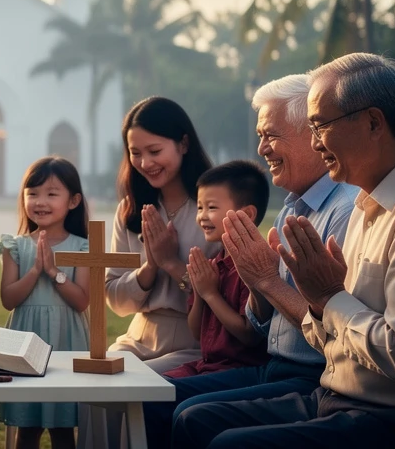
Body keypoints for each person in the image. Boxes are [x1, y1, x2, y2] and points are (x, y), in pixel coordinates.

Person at [176, 53, 395, 448]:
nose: (316, 142)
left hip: (391, 415)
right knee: (194, 420)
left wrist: (327, 296)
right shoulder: (369, 201)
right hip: (331, 395)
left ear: (372, 123)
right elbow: (328, 335)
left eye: (320, 126)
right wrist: (316, 302)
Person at [148, 74, 357, 448]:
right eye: (260, 136)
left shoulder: (343, 211)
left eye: (271, 135)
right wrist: (256, 283)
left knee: (187, 415)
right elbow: (261, 324)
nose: (261, 148)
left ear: (312, 133)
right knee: (153, 399)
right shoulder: (291, 207)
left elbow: (337, 332)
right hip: (271, 365)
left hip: (310, 374)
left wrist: (267, 282)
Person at [106, 96, 219, 371]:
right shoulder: (130, 211)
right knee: (97, 379)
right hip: (138, 335)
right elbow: (116, 300)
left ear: (183, 144)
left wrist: (171, 263)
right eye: (135, 153)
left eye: (154, 151)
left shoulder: (213, 210)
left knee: (133, 382)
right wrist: (150, 267)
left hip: (195, 339)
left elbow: (224, 295)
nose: (145, 163)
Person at [0, 156, 91, 449]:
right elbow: (8, 299)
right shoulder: (15, 244)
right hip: (25, 338)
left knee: (63, 430)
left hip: (66, 338)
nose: (41, 201)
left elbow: (82, 301)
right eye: (33, 193)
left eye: (52, 194)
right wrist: (36, 270)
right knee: (28, 428)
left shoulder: (82, 246)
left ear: (73, 201)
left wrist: (53, 272)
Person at [162, 160, 270, 380]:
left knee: (159, 396)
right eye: (200, 207)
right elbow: (197, 333)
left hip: (240, 370)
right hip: (207, 365)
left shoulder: (255, 265)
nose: (201, 216)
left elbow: (250, 335)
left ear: (247, 214)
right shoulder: (213, 262)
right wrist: (201, 293)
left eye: (211, 207)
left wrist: (210, 294)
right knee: (152, 387)